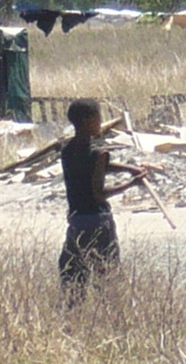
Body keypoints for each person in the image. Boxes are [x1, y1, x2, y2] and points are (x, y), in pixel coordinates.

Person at [59, 98, 145, 303]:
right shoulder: (99, 153)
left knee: (73, 270)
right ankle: (113, 310)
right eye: (98, 118)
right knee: (106, 270)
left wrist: (128, 168)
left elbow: (95, 165)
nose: (100, 122)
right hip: (98, 220)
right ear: (89, 120)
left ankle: (74, 311)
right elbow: (99, 193)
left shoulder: (67, 150)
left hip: (76, 220)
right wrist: (132, 183)